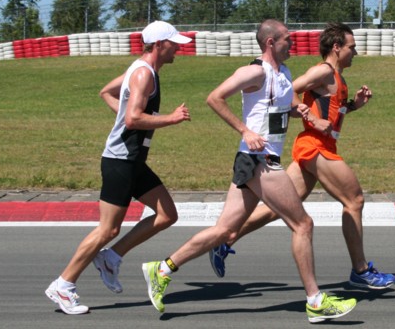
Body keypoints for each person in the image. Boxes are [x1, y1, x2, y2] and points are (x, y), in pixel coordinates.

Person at [141, 19, 356, 323]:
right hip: (258, 159)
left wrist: (301, 111)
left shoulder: (284, 73)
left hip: (254, 160)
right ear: (270, 43)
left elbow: (276, 109)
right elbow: (214, 98)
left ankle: (161, 269)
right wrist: (244, 130)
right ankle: (315, 301)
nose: (292, 44)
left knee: (225, 231)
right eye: (287, 40)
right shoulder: (254, 71)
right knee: (303, 224)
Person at [208, 22, 395, 290]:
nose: (356, 52)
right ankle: (361, 270)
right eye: (352, 47)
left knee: (279, 209)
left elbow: (331, 110)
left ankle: (225, 241)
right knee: (354, 199)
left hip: (320, 146)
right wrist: (311, 119)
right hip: (314, 147)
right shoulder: (323, 70)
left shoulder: (337, 77)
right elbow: (288, 90)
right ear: (337, 47)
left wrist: (353, 105)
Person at [44, 20, 192, 315]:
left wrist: (130, 115)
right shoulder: (142, 74)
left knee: (167, 215)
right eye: (173, 43)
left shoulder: (140, 70)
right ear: (159, 45)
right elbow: (132, 119)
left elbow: (106, 92)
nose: (178, 48)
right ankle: (63, 284)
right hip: (120, 160)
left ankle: (111, 258)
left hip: (133, 160)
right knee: (107, 228)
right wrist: (170, 119)